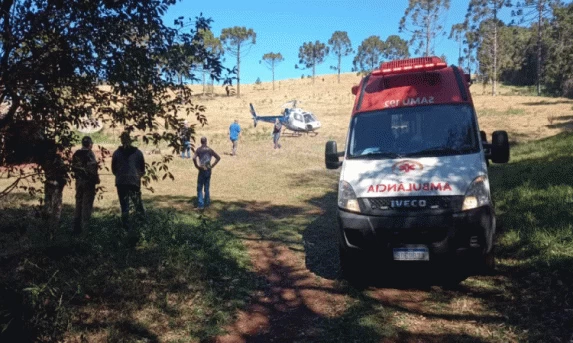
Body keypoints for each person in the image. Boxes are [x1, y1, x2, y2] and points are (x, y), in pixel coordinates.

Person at [112, 132, 145, 230]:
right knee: (137, 204)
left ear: (121, 141)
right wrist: (137, 176)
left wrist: (120, 175)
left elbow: (114, 169)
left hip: (121, 182)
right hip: (134, 182)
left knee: (124, 205)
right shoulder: (138, 153)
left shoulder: (116, 153)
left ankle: (126, 227)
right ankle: (141, 224)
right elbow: (142, 169)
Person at [71, 136, 100, 234]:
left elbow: (73, 168)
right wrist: (96, 179)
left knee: (78, 203)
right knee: (86, 205)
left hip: (79, 182)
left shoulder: (76, 154)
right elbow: (92, 168)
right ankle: (85, 229)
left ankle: (76, 228)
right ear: (90, 144)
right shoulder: (90, 154)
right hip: (88, 183)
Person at [192, 136, 220, 210]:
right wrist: (212, 165)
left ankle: (200, 205)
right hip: (208, 169)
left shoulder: (198, 150)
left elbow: (194, 158)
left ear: (201, 142)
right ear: (206, 142)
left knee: (199, 188)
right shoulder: (210, 150)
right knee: (207, 187)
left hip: (201, 169)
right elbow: (218, 158)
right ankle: (207, 204)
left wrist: (197, 166)